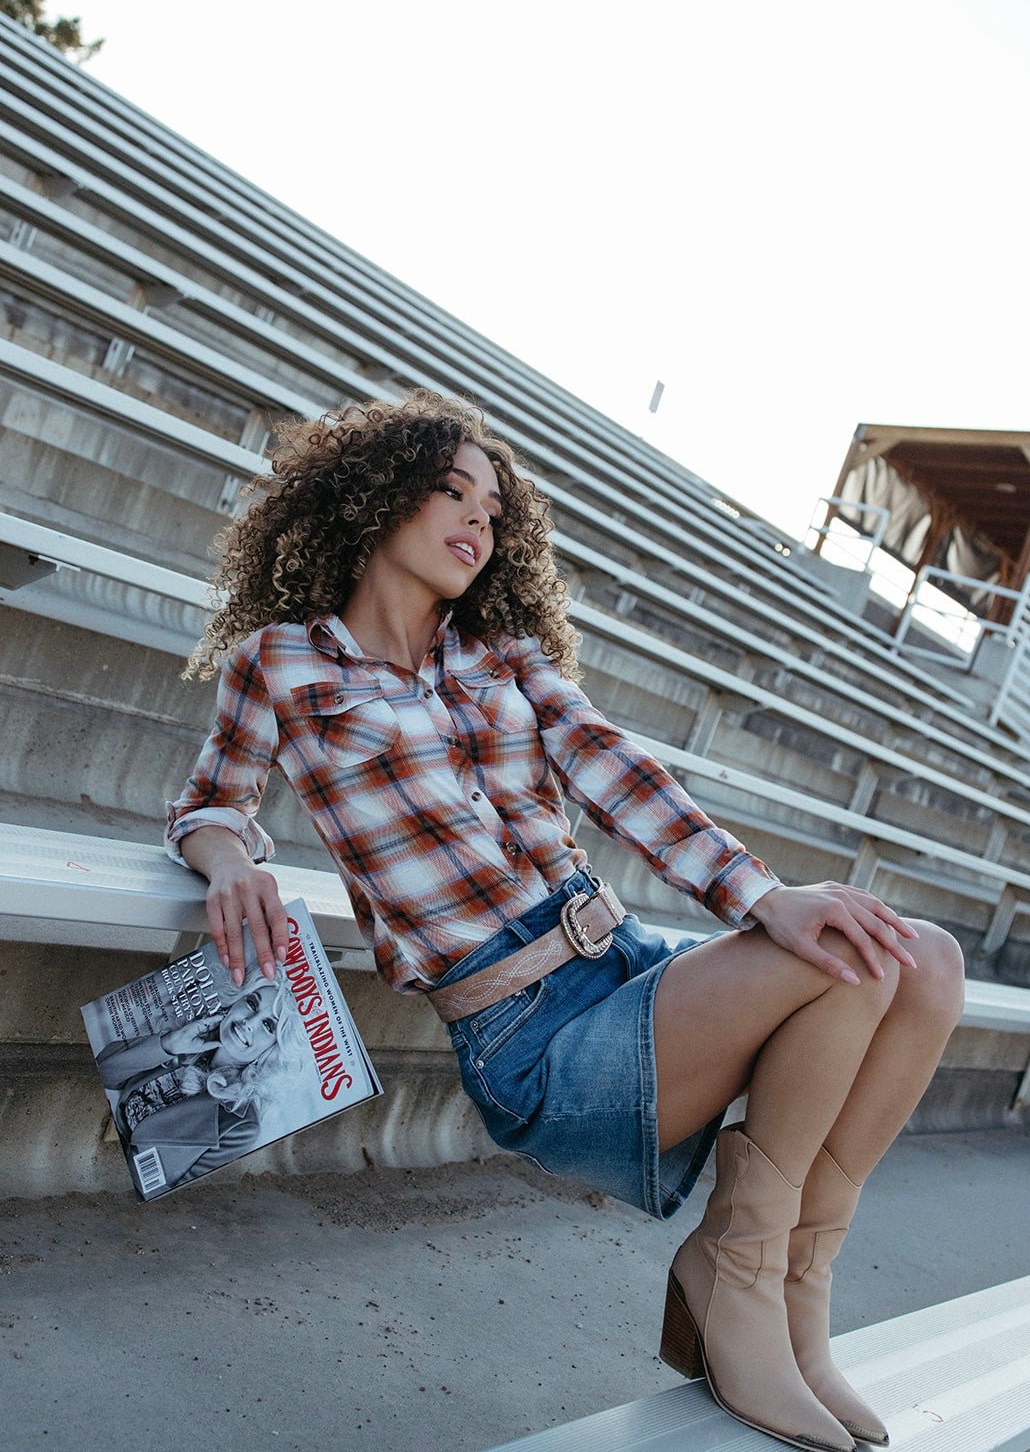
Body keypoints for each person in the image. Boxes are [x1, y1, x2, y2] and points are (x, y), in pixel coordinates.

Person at [166, 392, 965, 1451]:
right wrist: (230, 861)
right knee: (847, 962)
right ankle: (735, 1275)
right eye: (450, 491)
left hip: (622, 963)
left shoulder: (502, 655)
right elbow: (210, 802)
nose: (475, 521)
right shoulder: (281, 662)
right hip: (529, 1035)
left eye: (492, 510)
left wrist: (760, 894)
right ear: (369, 501)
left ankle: (788, 1293)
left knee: (922, 958)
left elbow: (615, 771)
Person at [96, 973, 303, 1192]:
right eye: (251, 1004)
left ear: (273, 1051)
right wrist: (169, 1045)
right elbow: (103, 1072)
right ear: (235, 1001)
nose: (248, 1022)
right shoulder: (185, 1033)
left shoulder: (242, 1125)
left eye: (268, 1026)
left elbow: (174, 1193)